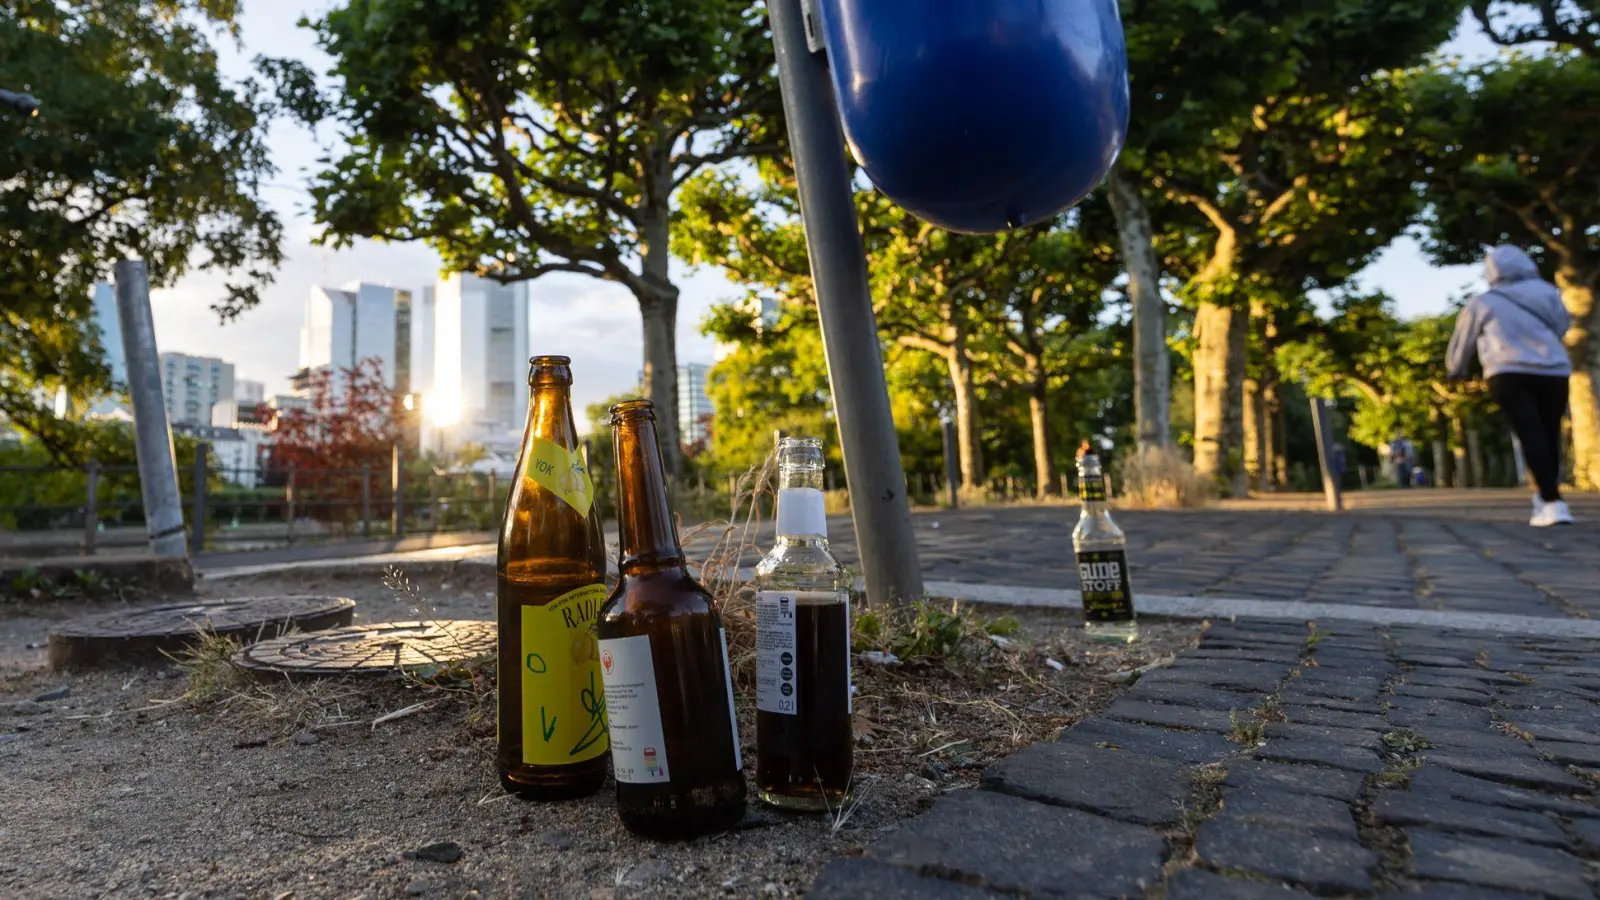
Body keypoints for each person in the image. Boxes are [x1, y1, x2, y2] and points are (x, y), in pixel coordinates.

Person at [1446, 245, 1574, 527]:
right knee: (1548, 433)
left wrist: (1456, 369)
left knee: (1529, 433)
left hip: (1508, 371)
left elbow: (1463, 340)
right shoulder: (1547, 292)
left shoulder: (1484, 302)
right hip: (1553, 370)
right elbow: (1563, 325)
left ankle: (1552, 502)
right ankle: (1547, 496)